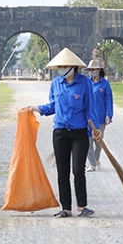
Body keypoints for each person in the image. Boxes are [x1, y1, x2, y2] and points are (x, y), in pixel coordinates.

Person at [29, 48, 100, 217]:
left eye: (64, 65)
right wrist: (36, 108)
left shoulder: (85, 83)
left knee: (78, 170)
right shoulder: (55, 83)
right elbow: (53, 105)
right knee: (62, 171)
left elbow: (90, 109)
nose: (61, 69)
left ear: (73, 66)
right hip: (60, 132)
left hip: (79, 132)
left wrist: (95, 130)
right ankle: (66, 208)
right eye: (59, 66)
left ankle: (82, 206)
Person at [85, 58, 114, 172]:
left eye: (95, 69)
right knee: (88, 141)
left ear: (99, 70)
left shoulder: (105, 84)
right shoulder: (87, 83)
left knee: (99, 140)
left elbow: (109, 100)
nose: (92, 71)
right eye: (91, 69)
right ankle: (92, 163)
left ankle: (97, 158)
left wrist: (109, 115)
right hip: (88, 118)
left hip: (100, 117)